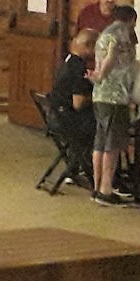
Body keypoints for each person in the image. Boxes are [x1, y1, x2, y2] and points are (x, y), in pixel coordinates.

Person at [88, 4, 139, 206]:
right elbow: (111, 56)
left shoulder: (103, 34)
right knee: (113, 145)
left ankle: (96, 186)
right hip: (115, 96)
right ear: (131, 19)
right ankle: (106, 190)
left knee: (100, 142)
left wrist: (98, 77)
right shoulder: (120, 33)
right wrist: (102, 74)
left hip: (100, 95)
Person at [49, 28, 97, 185]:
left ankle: (74, 166)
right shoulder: (79, 68)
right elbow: (78, 103)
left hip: (55, 117)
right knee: (103, 126)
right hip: (68, 122)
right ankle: (89, 168)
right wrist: (96, 97)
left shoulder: (66, 61)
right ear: (88, 46)